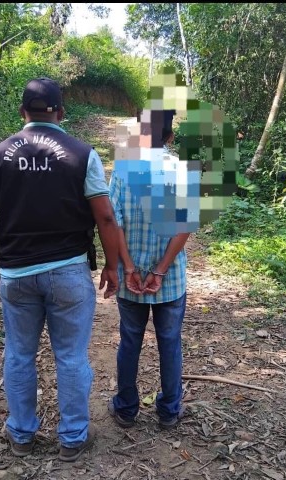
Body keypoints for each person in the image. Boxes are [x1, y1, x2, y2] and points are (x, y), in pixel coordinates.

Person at [0, 77, 120, 462]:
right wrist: (112, 265)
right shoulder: (82, 154)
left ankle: (21, 435)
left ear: (22, 112)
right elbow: (105, 216)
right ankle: (72, 438)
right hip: (68, 272)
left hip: (16, 275)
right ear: (61, 112)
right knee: (71, 357)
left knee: (19, 354)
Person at [108, 110, 190, 430]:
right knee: (170, 343)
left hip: (131, 279)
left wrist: (129, 267)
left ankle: (127, 409)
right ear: (170, 137)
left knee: (130, 341)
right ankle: (169, 410)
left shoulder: (123, 170)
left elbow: (113, 223)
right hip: (169, 280)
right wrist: (160, 271)